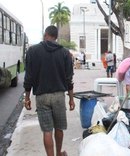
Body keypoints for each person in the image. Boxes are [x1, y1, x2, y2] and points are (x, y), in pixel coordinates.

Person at [23, 25, 75, 156]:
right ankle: (59, 153)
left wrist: (27, 97)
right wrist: (71, 99)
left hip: (41, 96)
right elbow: (69, 79)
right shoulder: (65, 53)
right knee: (59, 127)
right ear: (56, 37)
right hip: (58, 96)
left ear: (45, 35)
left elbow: (28, 77)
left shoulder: (33, 51)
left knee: (47, 131)